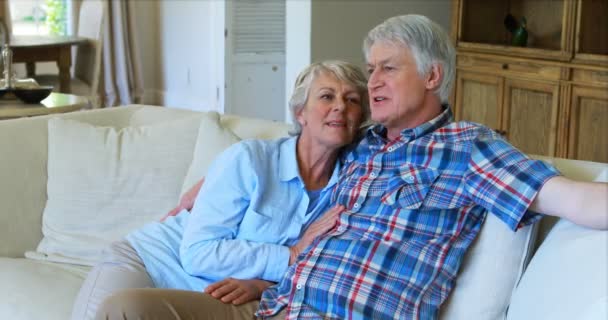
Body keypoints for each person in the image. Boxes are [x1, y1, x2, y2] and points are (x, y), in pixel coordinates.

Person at [93, 15, 608, 320]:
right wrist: (213, 183)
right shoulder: (361, 145)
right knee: (127, 309)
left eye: (388, 67)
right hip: (276, 306)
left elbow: (575, 198)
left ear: (432, 76)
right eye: (371, 70)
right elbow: (293, 144)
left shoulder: (469, 149)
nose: (374, 81)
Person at [69, 60, 369, 320]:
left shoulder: (353, 183)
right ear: (301, 112)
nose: (340, 106)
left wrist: (265, 285)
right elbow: (198, 253)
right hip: (152, 260)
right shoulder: (250, 160)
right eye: (327, 96)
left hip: (215, 290)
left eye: (352, 99)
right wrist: (290, 255)